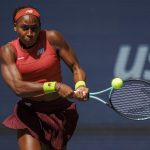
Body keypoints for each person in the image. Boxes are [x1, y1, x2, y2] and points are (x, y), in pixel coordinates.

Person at [1, 5, 89, 150]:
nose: (30, 33)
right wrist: (55, 86)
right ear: (15, 27)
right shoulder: (8, 51)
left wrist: (80, 85)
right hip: (30, 112)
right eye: (24, 28)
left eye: (34, 28)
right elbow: (17, 87)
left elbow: (76, 67)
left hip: (58, 110)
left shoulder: (53, 38)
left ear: (40, 26)